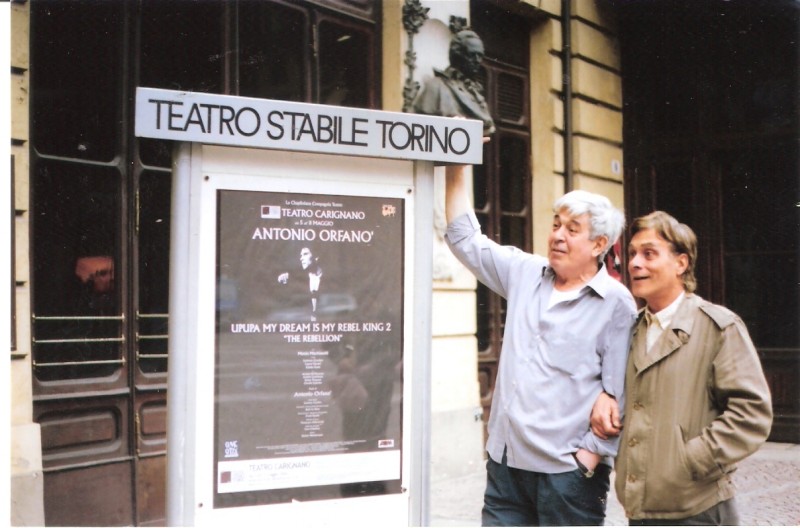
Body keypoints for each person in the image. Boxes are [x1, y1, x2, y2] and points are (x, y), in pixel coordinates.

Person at [444, 164, 637, 526]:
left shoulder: (616, 303)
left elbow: (619, 395)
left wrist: (587, 460)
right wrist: (457, 168)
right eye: (556, 224)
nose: (558, 236)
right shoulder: (525, 273)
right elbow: (465, 240)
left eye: (572, 229)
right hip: (506, 466)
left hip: (566, 475)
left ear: (599, 244)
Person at [591, 211, 773, 525]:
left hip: (697, 509)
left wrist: (689, 461)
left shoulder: (718, 327)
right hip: (641, 510)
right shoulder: (631, 332)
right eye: (632, 254)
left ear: (681, 263)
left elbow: (752, 413)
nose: (635, 263)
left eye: (649, 254)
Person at [413, 29, 496, 135]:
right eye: (472, 55)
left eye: (480, 56)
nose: (477, 60)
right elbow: (418, 128)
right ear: (458, 54)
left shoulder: (475, 93)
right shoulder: (436, 86)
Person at [277, 246, 323, 320]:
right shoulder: (303, 277)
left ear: (315, 257)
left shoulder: (326, 278)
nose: (301, 258)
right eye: (301, 256)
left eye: (305, 254)